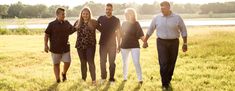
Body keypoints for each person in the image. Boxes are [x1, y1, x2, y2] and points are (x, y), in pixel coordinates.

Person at [143, 1, 188, 90]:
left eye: (164, 8)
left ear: (169, 7)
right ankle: (164, 83)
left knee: (171, 62)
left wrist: (185, 43)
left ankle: (168, 79)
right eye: (161, 8)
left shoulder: (177, 18)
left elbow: (183, 30)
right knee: (163, 62)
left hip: (174, 42)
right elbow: (150, 30)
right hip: (161, 42)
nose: (162, 10)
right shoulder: (156, 18)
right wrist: (145, 41)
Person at [44, 8, 76, 83]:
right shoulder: (51, 24)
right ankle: (57, 79)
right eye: (63, 14)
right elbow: (46, 35)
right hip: (55, 48)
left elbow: (72, 30)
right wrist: (45, 45)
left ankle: (64, 73)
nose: (64, 16)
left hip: (65, 48)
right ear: (57, 14)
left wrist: (77, 26)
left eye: (65, 14)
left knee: (68, 62)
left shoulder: (67, 23)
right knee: (56, 64)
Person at [73, 7, 101, 85]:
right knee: (83, 62)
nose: (85, 15)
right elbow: (70, 30)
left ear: (89, 14)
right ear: (81, 14)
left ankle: (94, 80)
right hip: (80, 45)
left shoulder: (94, 22)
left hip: (90, 46)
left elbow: (103, 30)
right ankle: (83, 79)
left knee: (91, 62)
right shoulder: (78, 22)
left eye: (87, 14)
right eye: (83, 14)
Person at [97, 3, 121, 84]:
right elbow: (95, 27)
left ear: (112, 10)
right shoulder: (100, 18)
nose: (108, 11)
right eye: (106, 9)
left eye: (109, 9)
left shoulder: (116, 20)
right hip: (103, 44)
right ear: (105, 9)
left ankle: (111, 79)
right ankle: (103, 78)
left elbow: (118, 33)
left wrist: (119, 45)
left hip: (112, 45)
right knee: (102, 61)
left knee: (112, 62)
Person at [120, 8, 144, 84]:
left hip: (135, 45)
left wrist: (145, 42)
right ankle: (125, 78)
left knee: (136, 62)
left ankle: (140, 79)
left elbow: (141, 34)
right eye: (126, 14)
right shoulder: (124, 23)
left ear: (133, 14)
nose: (127, 15)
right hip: (124, 45)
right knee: (125, 63)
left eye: (129, 14)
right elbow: (120, 34)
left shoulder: (136, 23)